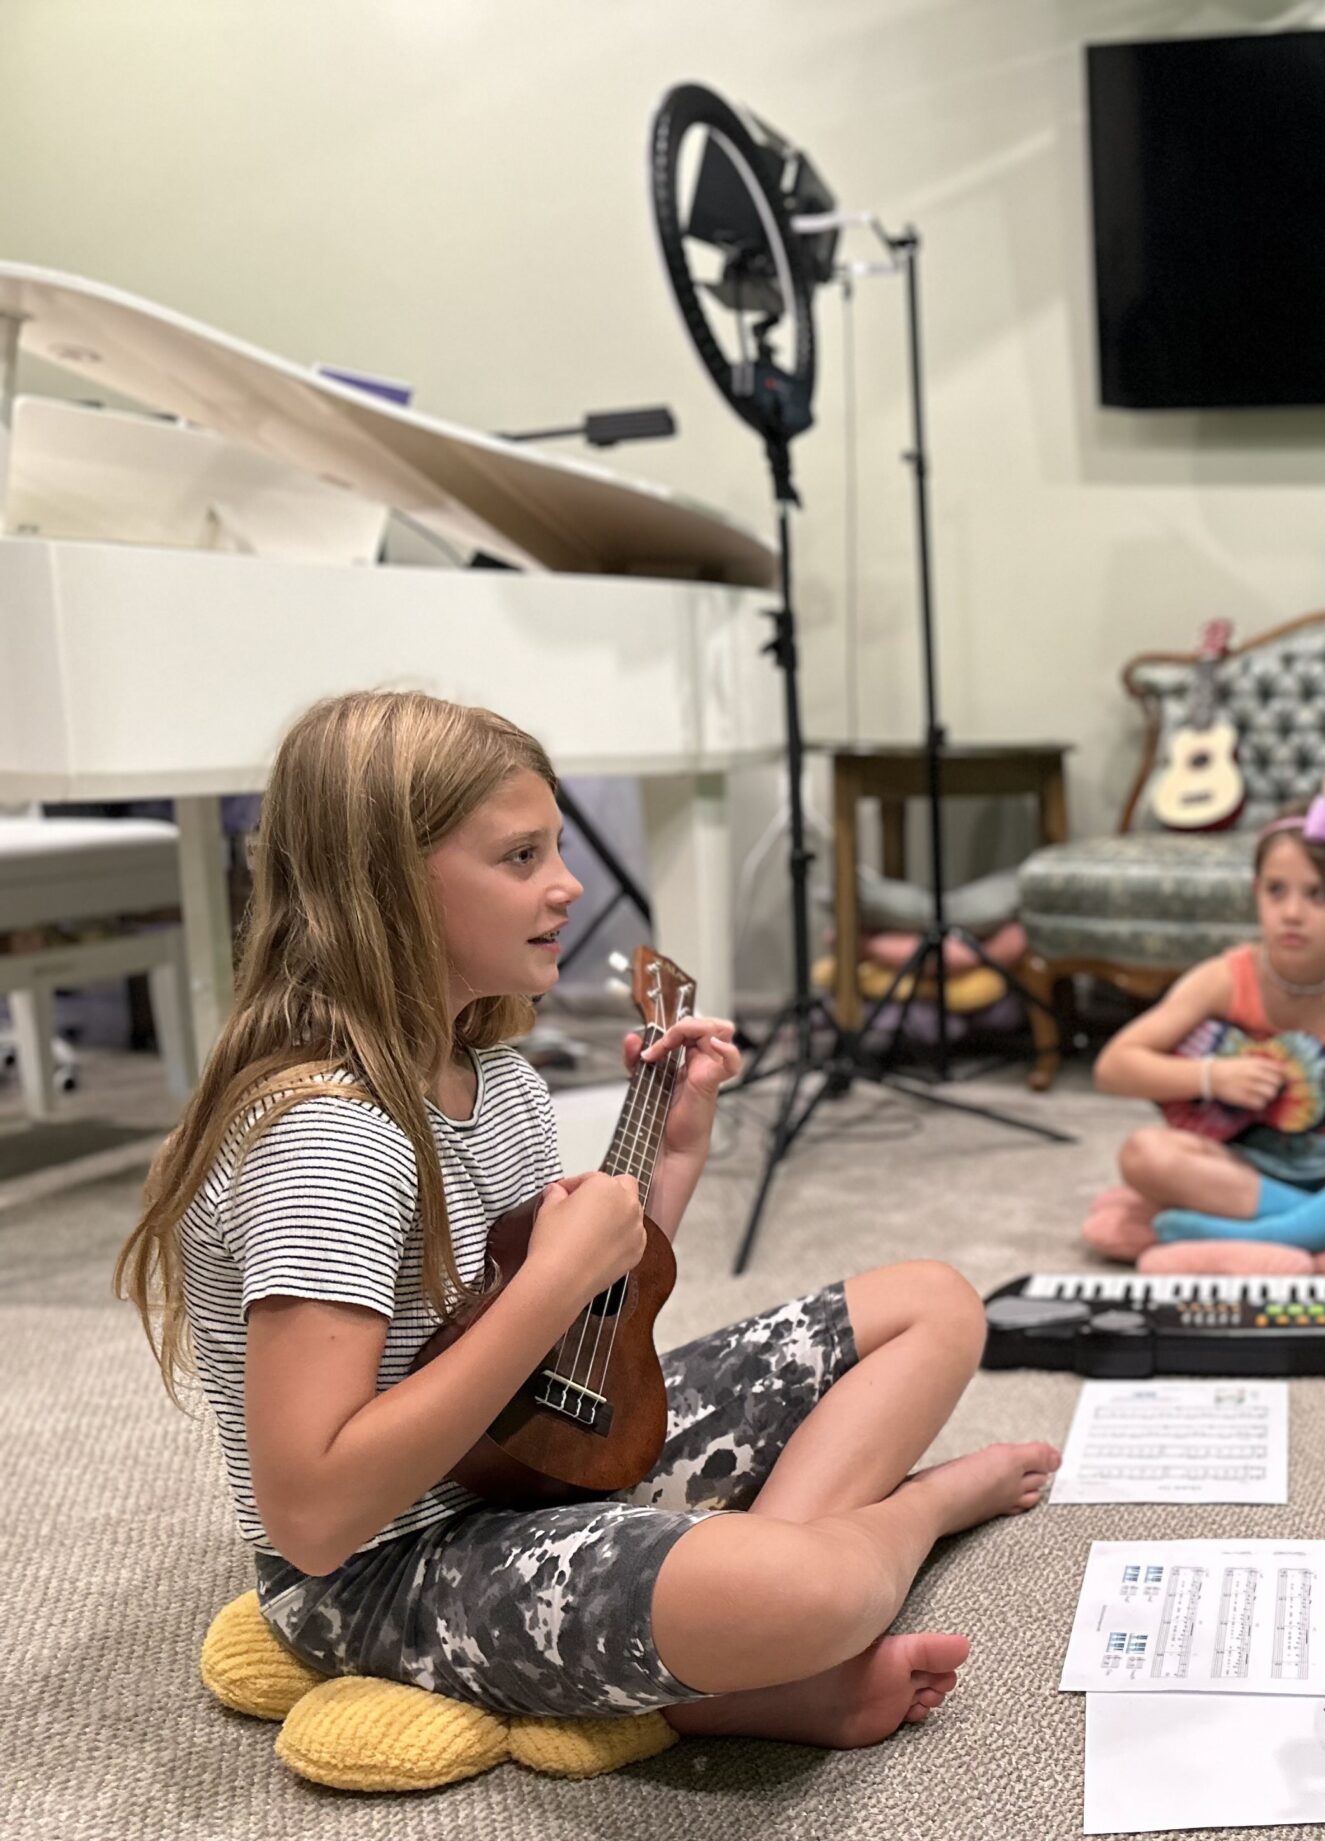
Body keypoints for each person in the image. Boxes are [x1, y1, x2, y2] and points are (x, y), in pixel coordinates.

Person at [113, 690, 1057, 1745]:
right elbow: (316, 1515)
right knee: (811, 1593)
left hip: (529, 1464)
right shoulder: (326, 1143)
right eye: (520, 858)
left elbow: (575, 1344)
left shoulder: (500, 1081)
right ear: (382, 886)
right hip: (383, 1572)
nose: (568, 885)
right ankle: (887, 1537)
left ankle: (742, 1637)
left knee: (932, 1303)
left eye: (556, 847)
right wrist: (555, 1278)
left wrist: (676, 1158)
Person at [1094, 798, 1325, 1254]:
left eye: (1317, 895)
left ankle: (1269, 1231)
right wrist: (1212, 1076)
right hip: (1237, 1164)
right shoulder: (1223, 979)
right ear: (1256, 892)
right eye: (1277, 891)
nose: (1292, 913)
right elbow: (1114, 1066)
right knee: (1144, 1154)